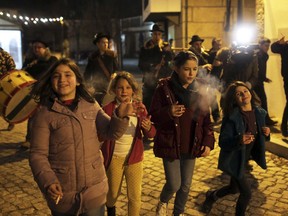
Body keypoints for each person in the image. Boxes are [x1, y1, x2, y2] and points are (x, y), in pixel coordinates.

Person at [29, 58, 133, 216]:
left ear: (77, 80)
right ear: (51, 81)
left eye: (67, 74)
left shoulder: (91, 104)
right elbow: (37, 154)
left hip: (94, 190)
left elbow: (110, 132)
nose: (62, 79)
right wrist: (48, 181)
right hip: (63, 194)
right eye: (56, 76)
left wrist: (119, 116)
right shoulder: (44, 113)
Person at [149, 51, 215, 216]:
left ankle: (177, 213)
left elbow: (207, 120)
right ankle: (163, 201)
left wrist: (207, 142)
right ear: (177, 68)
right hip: (171, 142)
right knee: (174, 184)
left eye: (194, 69)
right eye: (187, 69)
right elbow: (154, 115)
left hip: (191, 143)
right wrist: (169, 111)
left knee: (185, 185)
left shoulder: (200, 90)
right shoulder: (164, 88)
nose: (191, 73)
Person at [201, 81, 270, 216]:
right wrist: (239, 139)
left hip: (244, 159)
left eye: (245, 91)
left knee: (233, 189)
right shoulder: (232, 118)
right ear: (234, 100)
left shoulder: (259, 113)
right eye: (238, 94)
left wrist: (266, 133)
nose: (243, 95)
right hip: (233, 159)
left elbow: (262, 136)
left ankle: (211, 196)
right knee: (246, 193)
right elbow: (223, 142)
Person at [101, 71, 156, 216]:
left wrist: (148, 127)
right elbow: (101, 133)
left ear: (133, 90)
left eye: (128, 87)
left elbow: (151, 134)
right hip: (114, 158)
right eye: (120, 87)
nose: (124, 91)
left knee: (135, 197)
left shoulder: (139, 108)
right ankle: (111, 210)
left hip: (134, 159)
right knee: (112, 193)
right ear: (114, 90)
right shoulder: (107, 109)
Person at [21, 39, 58, 148]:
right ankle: (29, 139)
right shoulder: (29, 61)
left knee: (50, 117)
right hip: (34, 93)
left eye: (39, 47)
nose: (36, 49)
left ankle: (51, 141)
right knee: (32, 116)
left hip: (48, 92)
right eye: (34, 47)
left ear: (45, 49)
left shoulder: (52, 60)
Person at [138, 23, 174, 109]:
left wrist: (168, 52)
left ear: (161, 35)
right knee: (148, 104)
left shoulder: (166, 48)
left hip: (163, 81)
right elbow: (141, 65)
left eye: (159, 34)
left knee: (163, 105)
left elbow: (172, 63)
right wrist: (152, 67)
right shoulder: (145, 48)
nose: (157, 36)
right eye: (155, 34)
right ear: (152, 35)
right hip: (149, 82)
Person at [188, 35, 220, 123]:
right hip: (196, 81)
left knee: (211, 97)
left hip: (205, 79)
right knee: (200, 101)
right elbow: (190, 67)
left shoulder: (202, 53)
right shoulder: (190, 54)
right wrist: (203, 67)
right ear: (193, 45)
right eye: (196, 44)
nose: (199, 46)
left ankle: (216, 117)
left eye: (200, 44)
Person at [84, 33, 119, 105]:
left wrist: (114, 74)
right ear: (98, 44)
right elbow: (87, 73)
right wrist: (89, 85)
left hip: (109, 85)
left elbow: (116, 68)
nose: (106, 44)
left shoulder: (112, 55)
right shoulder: (93, 57)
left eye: (107, 42)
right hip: (97, 86)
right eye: (103, 42)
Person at [254, 38, 277, 126]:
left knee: (262, 100)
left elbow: (262, 70)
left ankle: (264, 119)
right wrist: (262, 78)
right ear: (260, 45)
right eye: (266, 46)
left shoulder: (264, 55)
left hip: (259, 81)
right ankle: (264, 120)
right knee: (262, 100)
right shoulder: (258, 55)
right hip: (255, 81)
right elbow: (257, 69)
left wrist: (264, 78)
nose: (267, 48)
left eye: (268, 46)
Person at [271, 36, 288, 136]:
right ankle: (284, 128)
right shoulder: (285, 46)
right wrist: (279, 42)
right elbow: (273, 48)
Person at [0, 47, 16, 131]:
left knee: (8, 104)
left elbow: (12, 67)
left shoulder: (5, 55)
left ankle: (11, 122)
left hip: (4, 83)